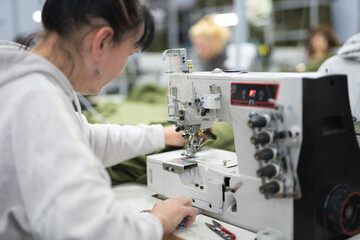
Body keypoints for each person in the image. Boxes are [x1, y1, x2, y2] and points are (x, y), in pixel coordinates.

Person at [0, 0, 196, 239]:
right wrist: (159, 220)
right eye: (129, 53)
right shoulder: (37, 99)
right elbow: (94, 230)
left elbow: (82, 138)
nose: (124, 67)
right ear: (101, 43)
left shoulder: (19, 76)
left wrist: (163, 135)